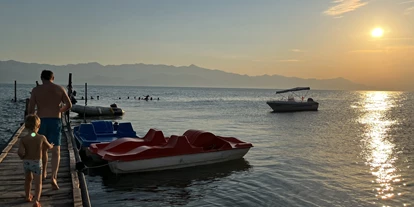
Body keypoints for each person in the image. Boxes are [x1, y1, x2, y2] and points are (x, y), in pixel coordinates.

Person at [28, 70, 72, 190]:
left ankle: (44, 172)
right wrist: (60, 110)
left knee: (43, 149)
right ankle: (54, 176)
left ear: (41, 78)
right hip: (55, 120)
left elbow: (31, 108)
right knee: (56, 150)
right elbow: (69, 105)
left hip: (41, 120)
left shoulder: (36, 90)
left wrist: (31, 125)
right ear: (53, 78)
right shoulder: (59, 89)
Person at [18, 114, 54, 207]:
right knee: (38, 183)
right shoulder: (41, 137)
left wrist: (22, 157)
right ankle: (36, 201)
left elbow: (20, 152)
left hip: (26, 162)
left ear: (25, 126)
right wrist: (52, 145)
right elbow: (48, 147)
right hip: (36, 162)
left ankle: (27, 196)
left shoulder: (23, 139)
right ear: (38, 126)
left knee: (28, 180)